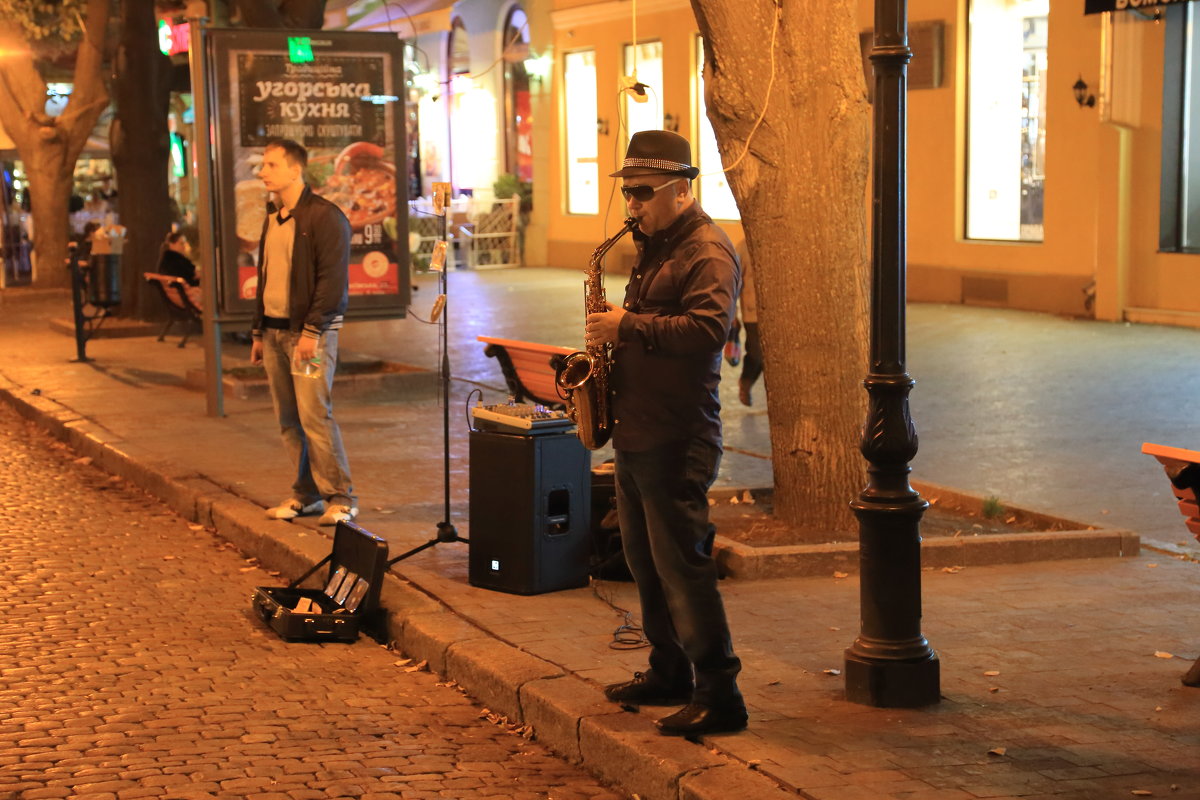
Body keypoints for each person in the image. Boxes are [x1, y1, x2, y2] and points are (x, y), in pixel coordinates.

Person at [584, 130, 745, 737]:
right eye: (627, 193)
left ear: (681, 190)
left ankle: (720, 692)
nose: (632, 206)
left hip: (678, 434)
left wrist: (628, 326)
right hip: (637, 428)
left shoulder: (707, 250)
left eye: (643, 193)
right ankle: (668, 669)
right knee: (644, 561)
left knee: (683, 566)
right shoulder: (656, 244)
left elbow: (707, 331)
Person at [249, 138, 357, 526]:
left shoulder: (324, 218)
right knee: (288, 419)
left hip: (308, 335)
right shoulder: (274, 217)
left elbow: (332, 282)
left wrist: (312, 331)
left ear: (296, 170)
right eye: (263, 164)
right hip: (276, 334)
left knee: (315, 416)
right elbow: (266, 278)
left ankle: (341, 497)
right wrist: (258, 332)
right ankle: (305, 494)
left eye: (271, 164)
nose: (263, 171)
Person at [735, 243, 762, 406]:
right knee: (756, 353)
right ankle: (746, 381)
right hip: (753, 313)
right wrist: (733, 313)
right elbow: (735, 282)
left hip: (777, 313)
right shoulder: (743, 248)